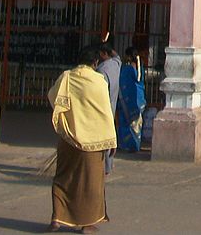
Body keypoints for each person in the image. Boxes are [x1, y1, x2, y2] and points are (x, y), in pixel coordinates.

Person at [47, 44, 117, 232]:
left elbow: (52, 97)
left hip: (69, 138)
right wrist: (112, 139)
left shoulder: (66, 77)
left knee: (63, 178)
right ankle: (87, 223)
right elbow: (105, 111)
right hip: (94, 142)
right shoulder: (98, 81)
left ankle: (57, 218)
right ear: (95, 62)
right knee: (91, 183)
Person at [116, 46, 147, 152]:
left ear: (128, 56)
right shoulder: (140, 67)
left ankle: (127, 145)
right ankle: (136, 145)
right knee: (137, 125)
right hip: (139, 100)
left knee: (126, 124)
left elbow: (122, 84)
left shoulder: (127, 69)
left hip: (128, 101)